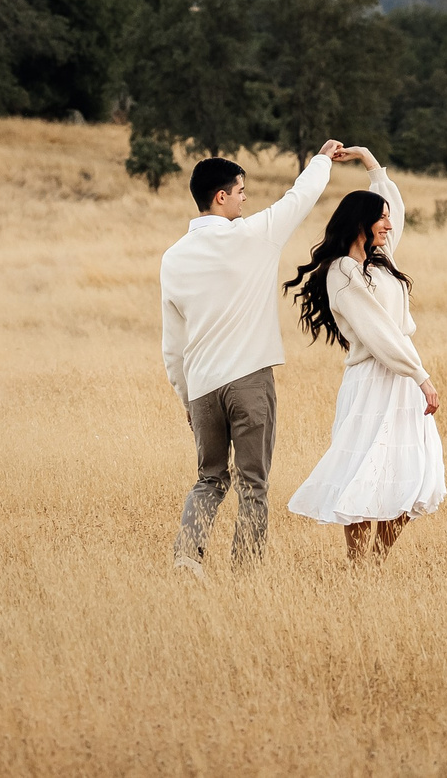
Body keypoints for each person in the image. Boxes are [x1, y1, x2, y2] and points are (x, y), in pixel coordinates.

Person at [159, 139, 341, 573]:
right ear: (221, 196)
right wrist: (321, 159)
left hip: (201, 387)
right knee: (252, 484)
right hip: (249, 382)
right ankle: (246, 574)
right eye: (241, 191)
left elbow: (172, 344)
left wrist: (186, 400)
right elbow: (299, 198)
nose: (246, 199)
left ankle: (187, 556)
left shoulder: (173, 258)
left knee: (209, 478)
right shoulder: (254, 235)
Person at [283, 146, 446, 561]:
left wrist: (369, 161)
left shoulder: (381, 259)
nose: (389, 224)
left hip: (401, 378)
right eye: (381, 218)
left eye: (388, 217)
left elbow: (397, 210)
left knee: (407, 476)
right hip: (373, 378)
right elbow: (379, 332)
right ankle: (359, 567)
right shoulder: (342, 271)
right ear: (361, 223)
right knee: (361, 474)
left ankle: (377, 562)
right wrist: (421, 375)